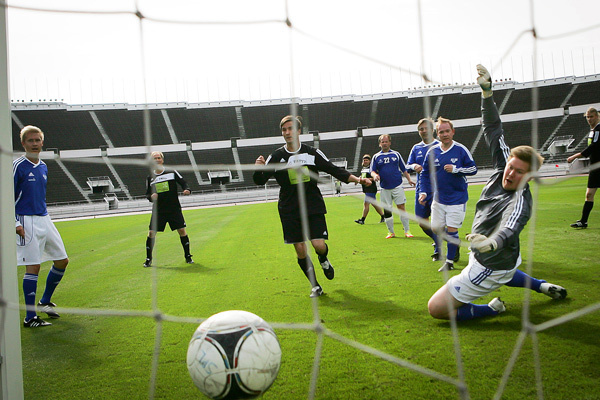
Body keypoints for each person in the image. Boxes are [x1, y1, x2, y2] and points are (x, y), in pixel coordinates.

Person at [427, 65, 567, 322]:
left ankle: (492, 309)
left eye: (518, 173)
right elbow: (493, 128)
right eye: (511, 167)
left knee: (435, 308)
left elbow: (510, 227)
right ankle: (541, 285)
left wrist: (492, 242)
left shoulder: (520, 201)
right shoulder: (505, 165)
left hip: (491, 262)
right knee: (508, 269)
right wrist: (487, 94)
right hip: (506, 257)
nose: (510, 174)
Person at [253, 115, 369, 298]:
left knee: (319, 245)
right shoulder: (276, 156)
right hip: (289, 208)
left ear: (299, 131)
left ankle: (323, 259)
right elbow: (260, 180)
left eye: (290, 129)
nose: (287, 133)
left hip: (312, 205)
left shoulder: (312, 153)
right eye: (284, 130)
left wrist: (357, 179)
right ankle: (315, 285)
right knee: (300, 249)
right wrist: (258, 167)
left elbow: (333, 169)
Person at [14, 125, 69, 328]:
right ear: (23, 143)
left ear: (42, 142)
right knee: (33, 266)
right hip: (26, 220)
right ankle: (30, 317)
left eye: (38, 140)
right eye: (31, 140)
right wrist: (15, 223)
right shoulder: (17, 165)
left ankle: (44, 302)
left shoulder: (43, 166)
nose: (35, 143)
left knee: (62, 261)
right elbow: (7, 196)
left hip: (44, 218)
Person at [418, 117, 477, 271]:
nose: (444, 134)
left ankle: (449, 262)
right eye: (441, 132)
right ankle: (454, 242)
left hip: (457, 199)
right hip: (438, 198)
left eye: (447, 131)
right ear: (437, 134)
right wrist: (423, 191)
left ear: (453, 132)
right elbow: (424, 173)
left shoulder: (461, 149)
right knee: (436, 228)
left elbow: (473, 169)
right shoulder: (432, 151)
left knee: (452, 230)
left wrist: (457, 169)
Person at [144, 151, 193, 268]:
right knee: (151, 233)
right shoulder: (150, 177)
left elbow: (183, 182)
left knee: (182, 231)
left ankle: (188, 256)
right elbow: (147, 194)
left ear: (162, 159)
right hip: (159, 210)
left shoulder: (171, 172)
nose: (157, 160)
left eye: (158, 158)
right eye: (154, 158)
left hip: (174, 208)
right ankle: (148, 259)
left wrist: (187, 189)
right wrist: (151, 197)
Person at [406, 118, 441, 259]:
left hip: (439, 189)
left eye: (426, 128)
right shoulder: (416, 148)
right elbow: (407, 165)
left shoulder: (440, 145)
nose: (424, 131)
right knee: (422, 221)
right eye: (421, 129)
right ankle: (439, 240)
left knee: (439, 221)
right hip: (422, 188)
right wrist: (414, 166)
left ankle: (440, 249)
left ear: (432, 130)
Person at [370, 134, 416, 238]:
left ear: (390, 142)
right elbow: (372, 171)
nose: (384, 143)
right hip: (384, 187)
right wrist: (375, 175)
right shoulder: (376, 157)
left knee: (401, 207)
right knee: (387, 210)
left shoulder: (396, 154)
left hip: (397, 185)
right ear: (379, 144)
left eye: (386, 141)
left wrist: (409, 180)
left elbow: (404, 169)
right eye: (383, 142)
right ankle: (391, 232)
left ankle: (407, 231)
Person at [567, 107, 600, 229]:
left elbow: (594, 147)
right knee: (589, 195)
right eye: (587, 117)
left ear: (597, 116)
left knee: (589, 194)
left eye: (591, 117)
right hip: (595, 166)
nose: (589, 119)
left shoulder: (598, 129)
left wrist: (575, 156)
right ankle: (583, 221)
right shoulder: (593, 130)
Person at [354, 154, 385, 225]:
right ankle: (383, 216)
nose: (365, 161)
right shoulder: (363, 169)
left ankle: (362, 219)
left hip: (371, 188)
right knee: (374, 204)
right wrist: (357, 180)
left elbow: (376, 177)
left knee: (366, 204)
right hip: (366, 188)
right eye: (364, 160)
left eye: (366, 160)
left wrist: (367, 179)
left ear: (370, 161)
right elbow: (362, 176)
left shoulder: (372, 168)